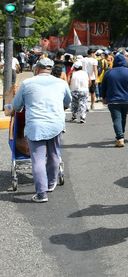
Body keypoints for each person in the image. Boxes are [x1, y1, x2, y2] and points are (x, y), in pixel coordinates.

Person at [12, 58, 72, 203]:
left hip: (36, 126)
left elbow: (16, 105)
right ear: (50, 69)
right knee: (54, 154)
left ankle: (41, 194)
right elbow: (67, 102)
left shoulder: (27, 83)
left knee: (38, 159)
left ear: (37, 69)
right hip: (56, 124)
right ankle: (51, 183)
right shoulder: (61, 83)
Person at [101, 53, 128, 147]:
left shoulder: (109, 72)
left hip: (113, 99)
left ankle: (120, 137)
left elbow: (103, 86)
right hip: (127, 99)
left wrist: (103, 97)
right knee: (123, 117)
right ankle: (121, 134)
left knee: (116, 118)